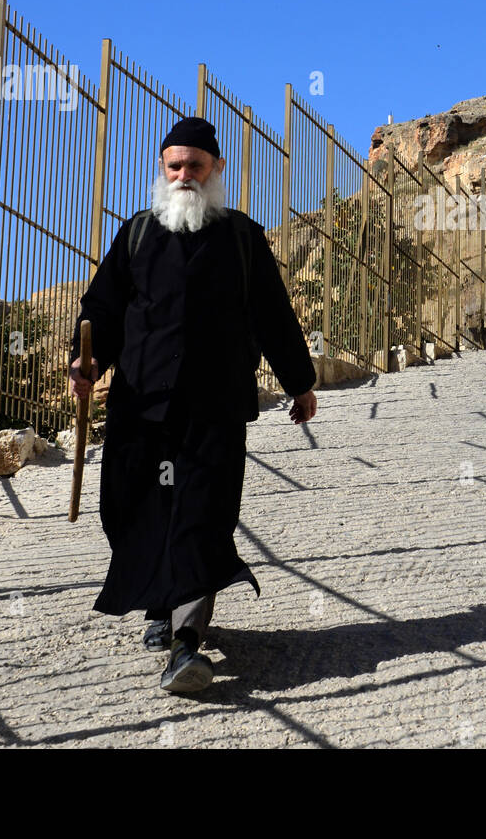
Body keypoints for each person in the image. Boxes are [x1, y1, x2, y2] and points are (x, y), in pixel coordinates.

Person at [68, 116, 318, 695]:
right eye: (175, 166)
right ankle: (160, 598)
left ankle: (186, 644)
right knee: (138, 510)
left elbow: (274, 317)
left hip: (214, 410)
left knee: (201, 517)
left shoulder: (241, 239)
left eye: (196, 166)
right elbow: (101, 311)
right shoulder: (134, 236)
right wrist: (86, 360)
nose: (185, 176)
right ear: (162, 168)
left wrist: (299, 383)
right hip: (141, 410)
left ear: (216, 171)